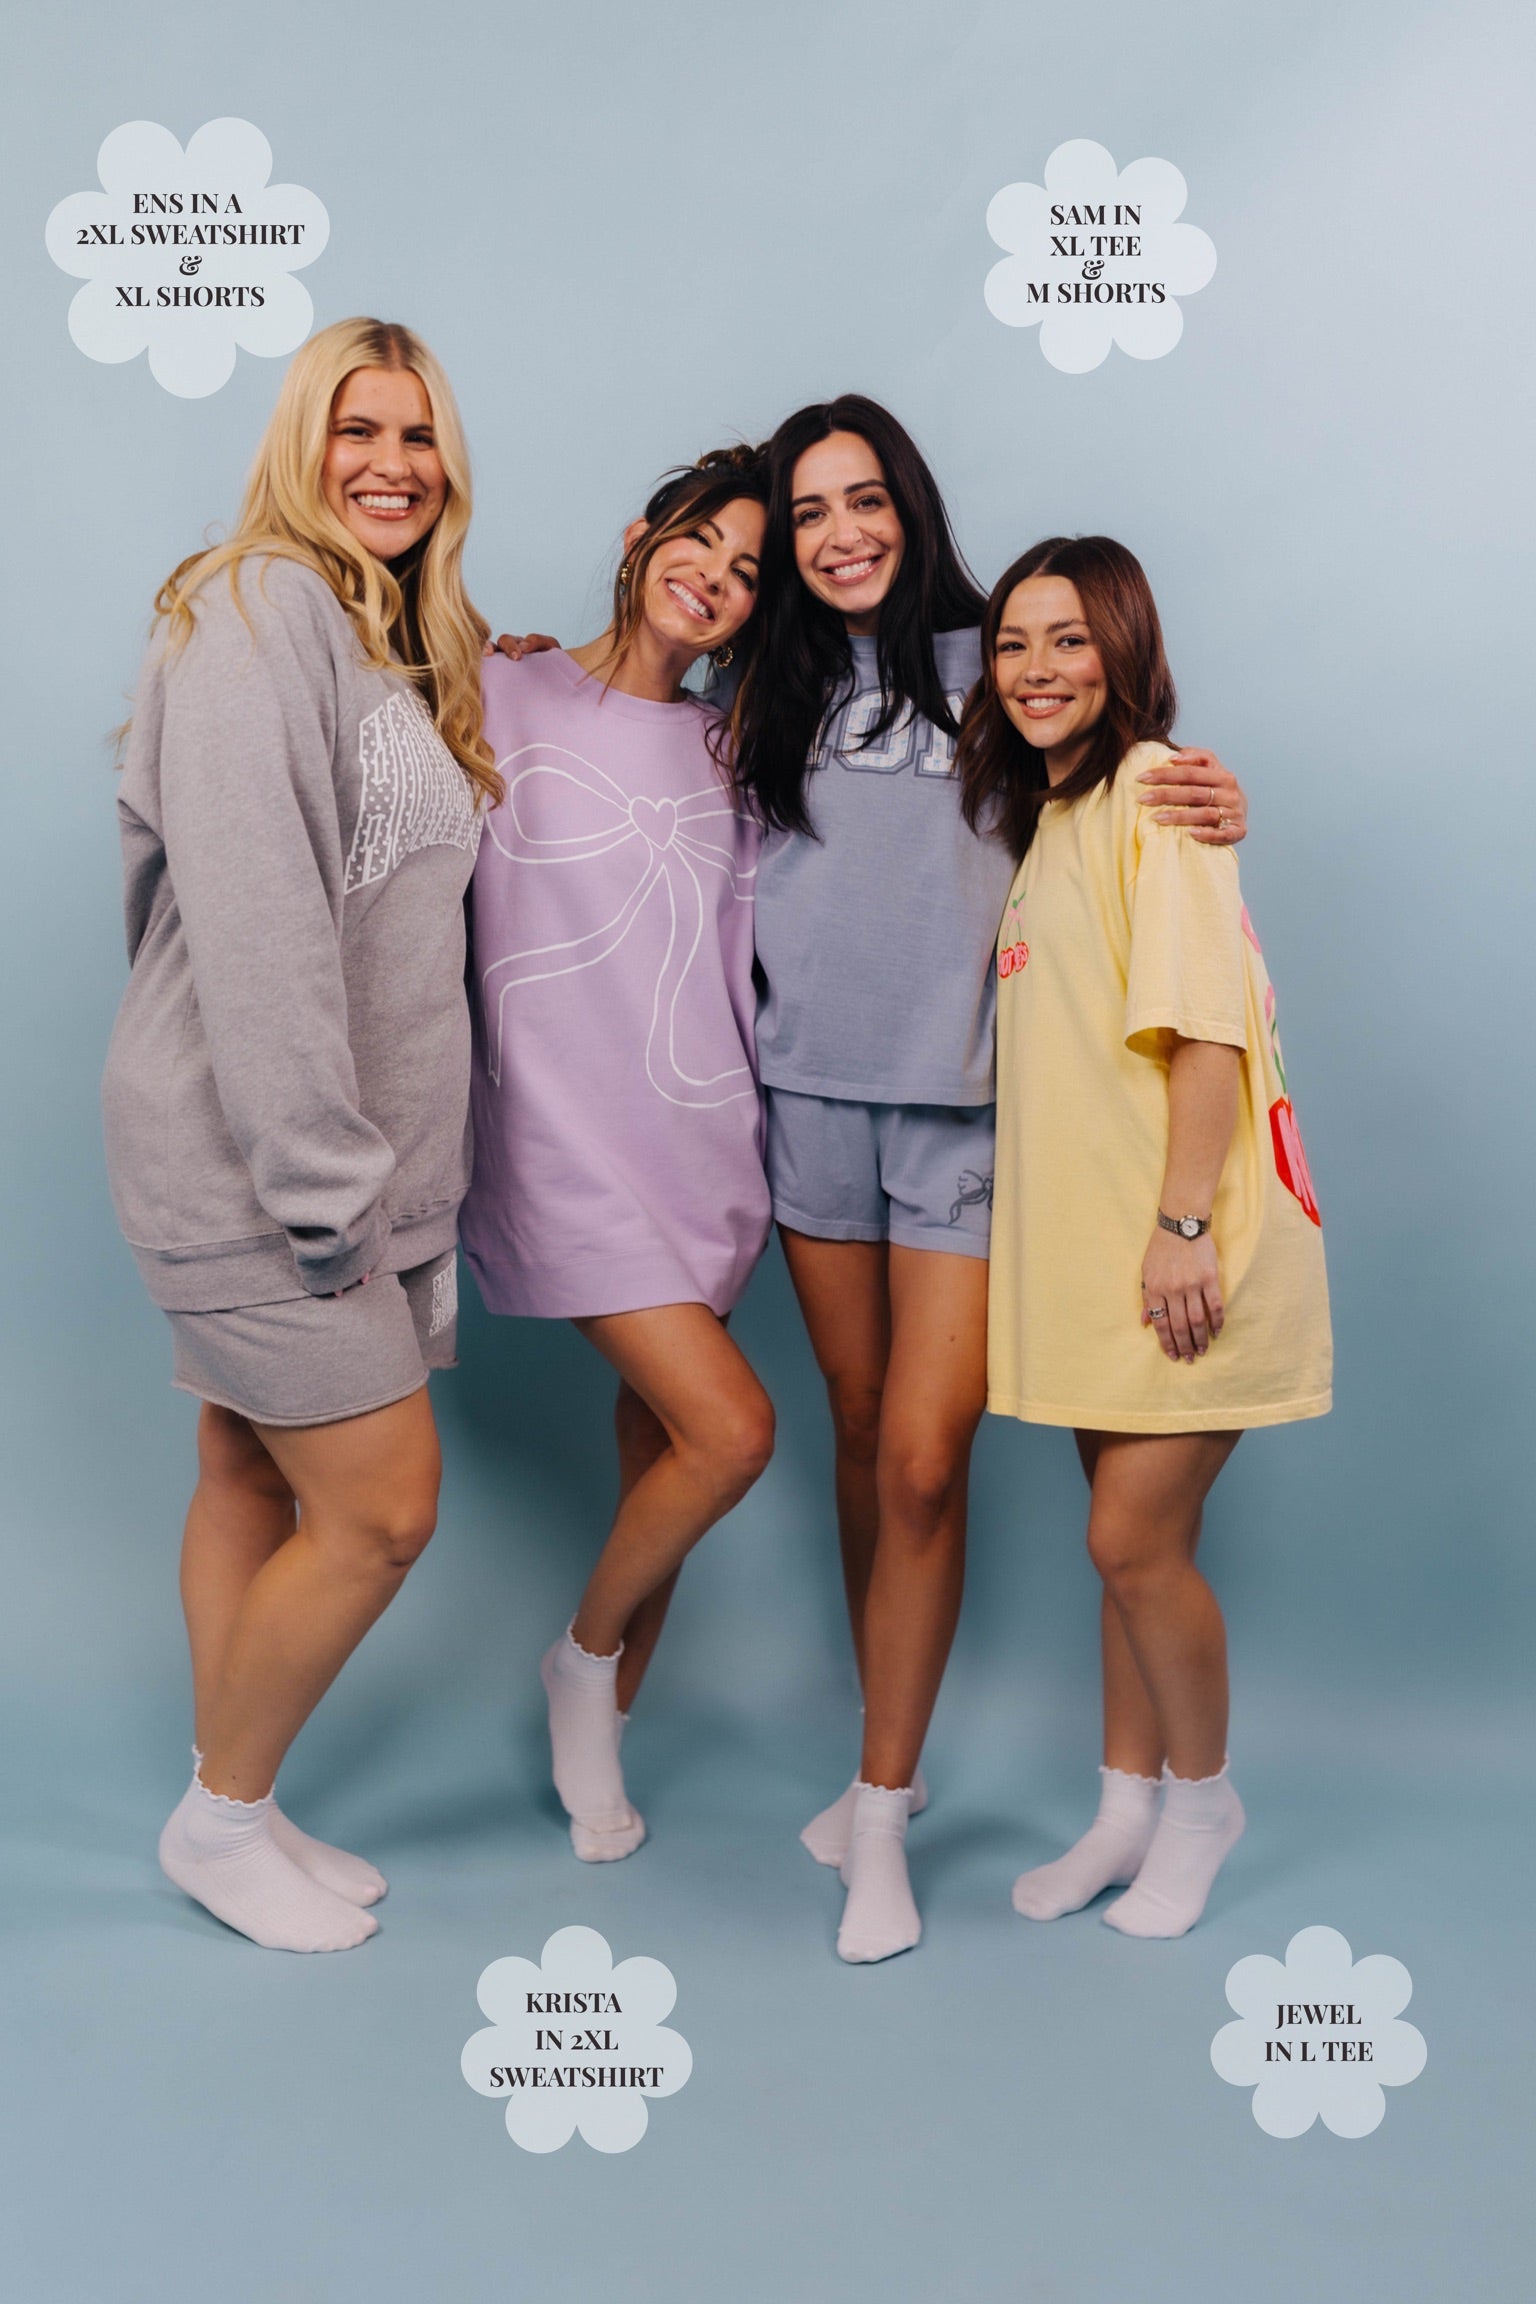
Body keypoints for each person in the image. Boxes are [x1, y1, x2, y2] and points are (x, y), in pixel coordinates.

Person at [730, 398, 1250, 1963]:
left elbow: (1116, 758)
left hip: (963, 1115)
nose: (839, 534)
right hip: (804, 1102)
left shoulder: (989, 660)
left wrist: (1215, 800)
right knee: (853, 1431)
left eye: (864, 499)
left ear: (912, 506)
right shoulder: (749, 680)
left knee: (924, 1459)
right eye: (808, 510)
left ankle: (881, 1820)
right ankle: (876, 1754)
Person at [102, 318, 497, 1951]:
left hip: (351, 1170)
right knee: (383, 1506)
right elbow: (259, 926)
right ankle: (225, 1821)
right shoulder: (254, 605)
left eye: (419, 436)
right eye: (358, 428)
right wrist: (330, 1190)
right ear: (298, 442)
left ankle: (235, 1803)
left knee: (244, 1475)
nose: (391, 463)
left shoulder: (374, 634)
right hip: (271, 1167)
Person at [960, 535, 1331, 1938]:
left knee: (1132, 1545)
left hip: (1185, 1248)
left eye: (1070, 638)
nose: (1040, 668)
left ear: (1123, 647)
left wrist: (1183, 1227)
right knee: (1122, 1545)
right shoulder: (1053, 817)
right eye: (1014, 643)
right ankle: (1124, 1807)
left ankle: (1202, 1804)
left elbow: (1208, 1038)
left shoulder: (1157, 796)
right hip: (1091, 1261)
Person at [461, 449, 776, 1862]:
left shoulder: (732, 756)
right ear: (646, 538)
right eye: (702, 540)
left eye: (749, 571)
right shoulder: (496, 690)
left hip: (703, 1144)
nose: (714, 575)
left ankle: (608, 1724)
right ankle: (580, 1665)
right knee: (733, 1432)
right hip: (550, 1139)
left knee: (661, 1442)